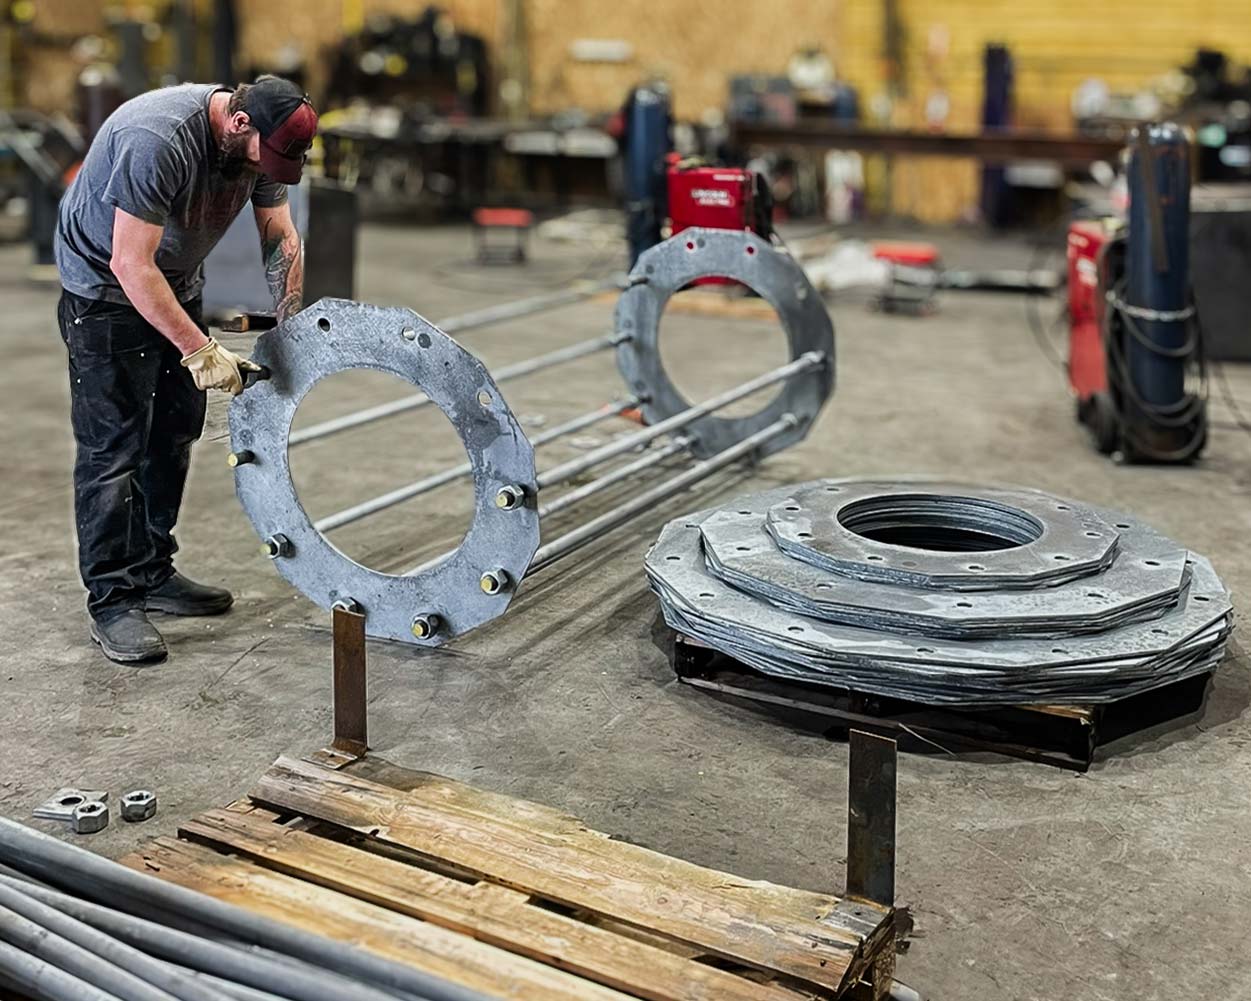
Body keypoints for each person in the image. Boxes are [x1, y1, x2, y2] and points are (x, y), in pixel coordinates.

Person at [54, 76, 318, 664]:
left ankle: (151, 570)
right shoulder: (158, 137)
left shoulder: (266, 141)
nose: (267, 170)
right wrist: (200, 351)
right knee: (113, 448)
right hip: (105, 291)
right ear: (240, 123)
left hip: (173, 281)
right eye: (265, 158)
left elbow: (279, 234)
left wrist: (289, 328)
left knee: (173, 430)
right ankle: (114, 599)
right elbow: (129, 261)